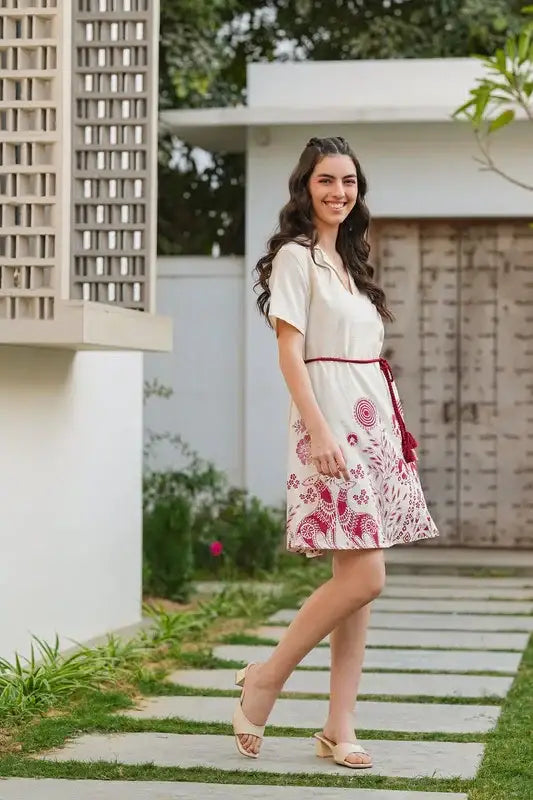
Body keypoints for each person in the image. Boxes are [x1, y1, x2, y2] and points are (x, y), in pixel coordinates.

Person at [231, 136, 439, 768]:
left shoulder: (350, 260)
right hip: (331, 430)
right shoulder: (297, 258)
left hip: (372, 428)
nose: (339, 192)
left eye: (349, 181)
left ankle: (338, 727)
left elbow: (367, 361)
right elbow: (290, 352)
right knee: (365, 574)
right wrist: (320, 430)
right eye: (326, 180)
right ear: (305, 187)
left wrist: (394, 432)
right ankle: (266, 677)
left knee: (357, 581)